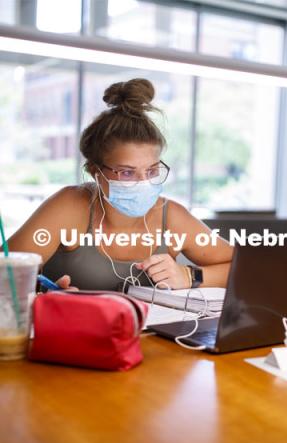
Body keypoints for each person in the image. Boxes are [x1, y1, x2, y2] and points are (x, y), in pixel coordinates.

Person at [8, 78, 233, 291]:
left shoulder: (172, 217)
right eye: (127, 172)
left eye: (152, 170)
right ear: (95, 171)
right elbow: (4, 274)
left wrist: (189, 276)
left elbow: (241, 267)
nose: (143, 183)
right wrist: (43, 296)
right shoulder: (70, 207)